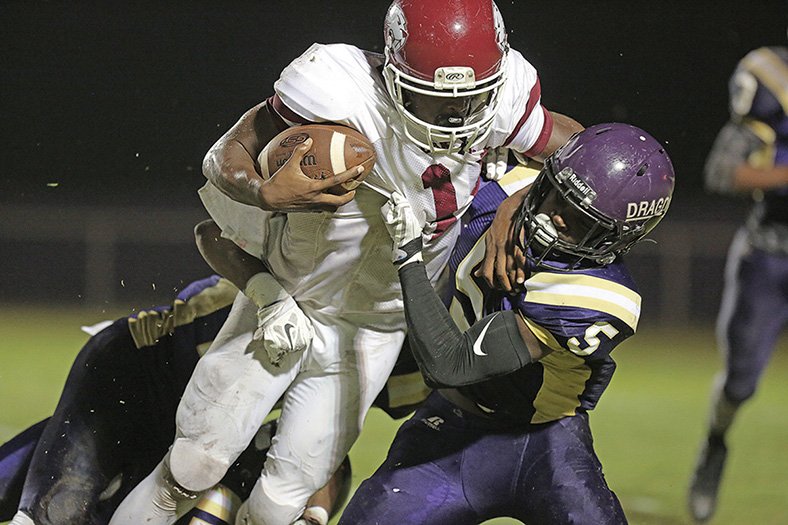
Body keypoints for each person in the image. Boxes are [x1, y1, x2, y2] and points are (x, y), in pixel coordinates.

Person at [110, 1, 582, 524]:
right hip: (295, 298)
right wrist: (262, 193)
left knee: (280, 505)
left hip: (378, 329)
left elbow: (581, 157)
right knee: (192, 467)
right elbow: (228, 154)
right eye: (431, 99)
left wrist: (522, 196)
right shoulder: (338, 92)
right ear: (393, 73)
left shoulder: (507, 98)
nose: (454, 117)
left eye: (471, 99)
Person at [339, 123, 676, 525]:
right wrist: (512, 199)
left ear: (618, 240)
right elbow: (538, 122)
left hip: (548, 447)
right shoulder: (497, 188)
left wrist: (409, 257)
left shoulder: (599, 296)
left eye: (583, 222)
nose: (557, 219)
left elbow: (450, 364)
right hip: (450, 425)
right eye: (557, 197)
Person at [0, 275, 426, 525]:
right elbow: (216, 246)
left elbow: (333, 453)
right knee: (57, 512)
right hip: (133, 384)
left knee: (292, 476)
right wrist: (264, 290)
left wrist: (311, 517)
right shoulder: (279, 286)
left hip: (209, 435)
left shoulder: (390, 343)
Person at [688, 45, 788, 523]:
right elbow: (722, 171)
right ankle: (715, 444)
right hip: (772, 252)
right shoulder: (773, 79)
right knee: (741, 382)